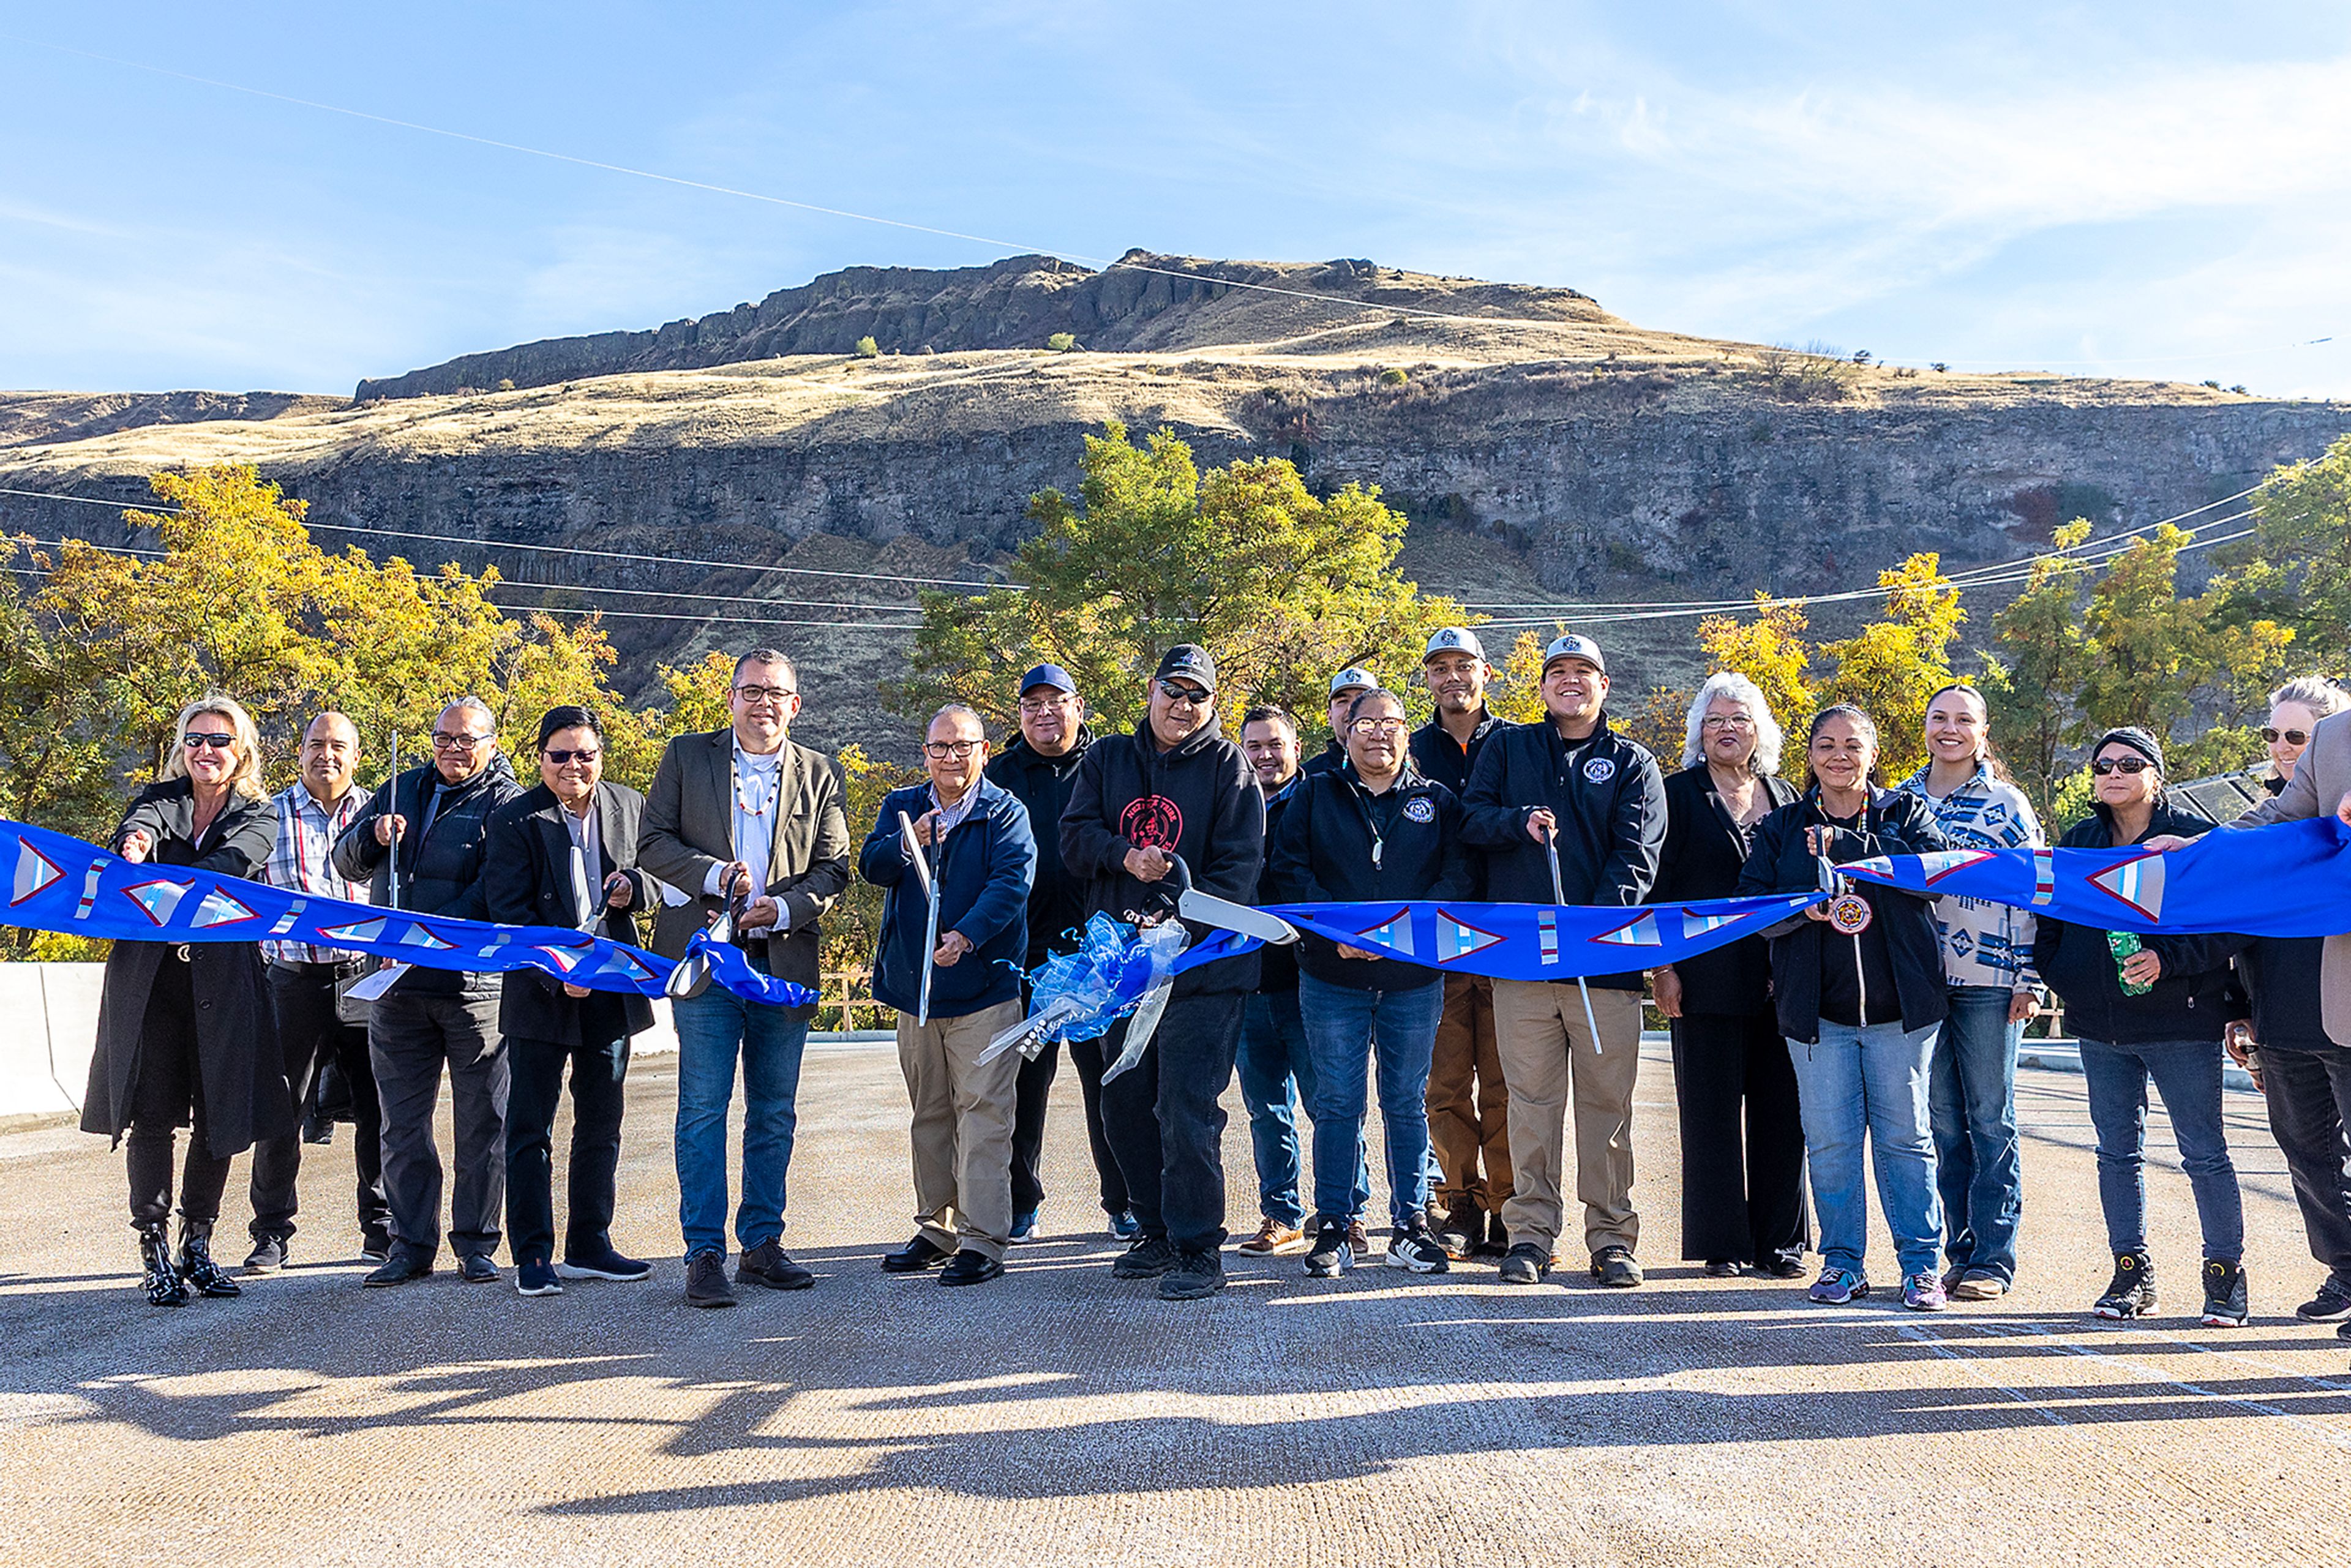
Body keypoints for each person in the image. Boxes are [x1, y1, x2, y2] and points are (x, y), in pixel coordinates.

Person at [640, 648, 851, 1308]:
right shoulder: (685, 755)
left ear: (796, 703)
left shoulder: (820, 772)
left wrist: (784, 907)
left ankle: (762, 1243)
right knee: (702, 1110)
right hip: (708, 963)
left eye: (776, 692)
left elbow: (834, 866)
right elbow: (652, 842)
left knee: (774, 1112)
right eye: (751, 690)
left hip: (781, 964)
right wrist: (714, 875)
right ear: (730, 698)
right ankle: (704, 1252)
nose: (763, 703)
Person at [1460, 631, 1666, 1288]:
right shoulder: (1507, 746)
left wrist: (1588, 931)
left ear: (1605, 685)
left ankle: (1610, 1236)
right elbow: (1469, 820)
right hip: (1522, 964)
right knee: (1530, 1104)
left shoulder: (1632, 761)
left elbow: (1638, 858)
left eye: (1585, 671)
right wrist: (1514, 821)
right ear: (1542, 685)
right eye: (1558, 672)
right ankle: (1530, 1234)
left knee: (1608, 1107)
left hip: (1602, 967)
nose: (1571, 681)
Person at [1062, 644, 1267, 1300]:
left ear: (1212, 703)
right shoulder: (1107, 758)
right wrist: (1125, 856)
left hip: (1202, 969)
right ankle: (1151, 1230)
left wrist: (1182, 918)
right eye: (1172, 690)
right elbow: (1073, 839)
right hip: (1119, 968)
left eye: (1197, 695)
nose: (1183, 705)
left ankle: (1198, 1245)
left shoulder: (1228, 765)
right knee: (1121, 1100)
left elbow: (1241, 866)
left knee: (1185, 1106)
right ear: (1149, 690)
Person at [1736, 705, 1953, 1311]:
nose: (1839, 755)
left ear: (1873, 754)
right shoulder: (1782, 827)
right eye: (1826, 744)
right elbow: (1751, 904)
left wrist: (1845, 844)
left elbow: (1930, 877)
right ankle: (1842, 1263)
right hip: (1818, 1020)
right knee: (1830, 1142)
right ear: (1809, 755)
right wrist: (1794, 910)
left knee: (1905, 1140)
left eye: (1852, 745)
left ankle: (1920, 1267)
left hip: (1900, 1017)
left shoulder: (1905, 813)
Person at [2034, 727, 2251, 1326]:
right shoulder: (2078, 842)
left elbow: (2229, 926)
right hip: (2100, 1028)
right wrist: (2066, 979)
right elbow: (2047, 920)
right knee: (2116, 1153)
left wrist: (2167, 961)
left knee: (2204, 1153)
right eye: (2103, 764)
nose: (2114, 773)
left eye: (2130, 763)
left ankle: (2224, 1276)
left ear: (2156, 772)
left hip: (2180, 1023)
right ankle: (2132, 1274)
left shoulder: (2190, 839)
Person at [83, 696, 290, 1307]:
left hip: (225, 982)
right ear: (183, 746)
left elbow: (228, 868)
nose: (207, 749)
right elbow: (137, 828)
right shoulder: (157, 798)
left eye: (220, 740)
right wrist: (136, 841)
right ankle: (152, 1248)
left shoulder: (260, 813)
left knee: (220, 1116)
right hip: (153, 986)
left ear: (241, 751)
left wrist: (166, 883)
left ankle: (197, 1243)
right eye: (196, 738)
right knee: (150, 1116)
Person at [1270, 688, 1472, 1276]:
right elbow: (1289, 870)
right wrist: (1335, 929)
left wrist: (1411, 928)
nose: (1379, 734)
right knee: (1337, 1103)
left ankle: (1409, 1225)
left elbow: (1459, 874)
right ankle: (1334, 1223)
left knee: (1406, 1102)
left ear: (1407, 733)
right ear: (1346, 731)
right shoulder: (1313, 794)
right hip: (1332, 976)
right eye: (1367, 724)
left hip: (1412, 979)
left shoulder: (1437, 799)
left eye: (1392, 723)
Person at [334, 696, 524, 1288]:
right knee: (401, 1125)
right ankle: (410, 1244)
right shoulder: (401, 788)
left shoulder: (508, 804)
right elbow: (346, 863)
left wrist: (428, 935)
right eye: (444, 739)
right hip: (396, 987)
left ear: (493, 743)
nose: (454, 750)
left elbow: (497, 889)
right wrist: (370, 835)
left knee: (482, 1123)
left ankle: (476, 1244)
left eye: (467, 740)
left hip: (473, 990)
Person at [481, 707, 659, 1298]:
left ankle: (590, 1242)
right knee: (529, 1124)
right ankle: (532, 1254)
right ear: (540, 758)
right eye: (561, 755)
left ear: (600, 756)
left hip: (609, 988)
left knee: (602, 1121)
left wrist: (636, 889)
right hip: (540, 990)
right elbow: (509, 910)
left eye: (585, 754)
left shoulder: (631, 805)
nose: (573, 766)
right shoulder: (512, 819)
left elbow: (659, 877)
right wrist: (561, 977)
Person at [860, 705, 1036, 1287]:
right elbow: (872, 865)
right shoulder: (904, 806)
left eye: (963, 747)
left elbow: (1011, 883)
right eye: (940, 747)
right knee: (930, 1113)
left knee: (984, 1113)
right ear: (926, 752)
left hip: (984, 989)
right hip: (918, 994)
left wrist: (967, 934)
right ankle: (936, 1228)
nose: (951, 758)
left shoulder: (1005, 812)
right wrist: (913, 841)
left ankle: (984, 1239)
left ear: (984, 751)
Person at [1649, 673, 1807, 1278]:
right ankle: (1723, 1242)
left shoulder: (1788, 794)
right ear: (1699, 731)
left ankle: (1780, 1241)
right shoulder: (1675, 793)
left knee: (1782, 1113)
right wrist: (1662, 969)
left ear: (1759, 728)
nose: (1726, 728)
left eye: (1738, 718)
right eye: (1714, 719)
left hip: (1782, 980)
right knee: (1710, 1115)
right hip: (1702, 978)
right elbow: (1657, 889)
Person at [1894, 683, 2045, 1302]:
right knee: (1942, 1122)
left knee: (1990, 1117)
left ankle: (1994, 1255)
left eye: (1964, 719)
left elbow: (2038, 888)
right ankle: (1956, 1251)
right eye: (1939, 717)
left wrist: (2030, 978)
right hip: (1922, 979)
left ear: (1983, 731)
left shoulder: (2007, 803)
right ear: (1924, 725)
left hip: (1992, 978)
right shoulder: (1898, 801)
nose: (1949, 728)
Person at [984, 664, 1131, 1241]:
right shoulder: (997, 776)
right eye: (1032, 704)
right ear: (1020, 713)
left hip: (1100, 957)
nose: (1044, 713)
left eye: (1056, 702)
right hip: (1023, 956)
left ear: (1079, 707)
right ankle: (1022, 1202)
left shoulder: (1110, 768)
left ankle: (1124, 1200)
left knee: (1110, 1086)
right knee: (1023, 1085)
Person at [244, 711, 390, 1272]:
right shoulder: (268, 816)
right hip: (293, 981)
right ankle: (271, 1232)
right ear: (299, 753)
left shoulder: (383, 815)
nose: (326, 754)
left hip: (364, 979)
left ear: (356, 755)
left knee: (379, 1108)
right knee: (282, 1109)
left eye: (338, 746)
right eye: (315, 744)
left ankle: (380, 1229)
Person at [2226, 679, 2351, 1326]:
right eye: (2273, 735)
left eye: (2294, 735)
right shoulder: (2275, 812)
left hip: (2346, 1009)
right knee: (2308, 1152)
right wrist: (2196, 852)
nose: (2282, 748)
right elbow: (2263, 831)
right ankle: (2345, 1268)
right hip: (2285, 1013)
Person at [1232, 705, 1369, 1258]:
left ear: (1296, 746)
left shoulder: (1321, 802)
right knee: (1266, 1109)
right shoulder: (1233, 806)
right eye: (1255, 746)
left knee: (1330, 1103)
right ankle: (1281, 1213)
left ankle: (1347, 1212)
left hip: (1312, 982)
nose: (1266, 755)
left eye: (1275, 744)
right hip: (1246, 982)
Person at [1410, 626, 1510, 1260]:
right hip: (1436, 944)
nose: (1452, 677)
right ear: (1428, 679)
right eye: (1439, 667)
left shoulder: (1522, 744)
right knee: (1443, 1085)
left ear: (1486, 673)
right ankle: (1461, 1203)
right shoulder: (1410, 747)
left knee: (1507, 1083)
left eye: (1463, 665)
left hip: (1506, 940)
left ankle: (1509, 1205)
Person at [1302, 666, 1377, 778]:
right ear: (1329, 716)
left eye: (1362, 699)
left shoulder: (1402, 769)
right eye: (1343, 701)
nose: (1351, 708)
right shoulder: (1309, 776)